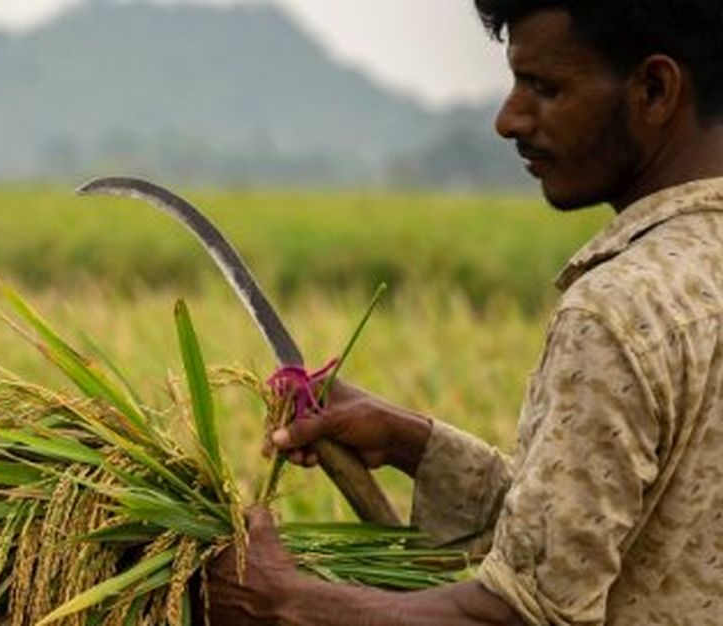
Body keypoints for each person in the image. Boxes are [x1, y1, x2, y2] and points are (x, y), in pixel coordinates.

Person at [205, 0, 723, 624]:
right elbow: (591, 535)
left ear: (654, 88)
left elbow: (522, 615)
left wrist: (285, 602)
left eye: (545, 87)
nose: (508, 119)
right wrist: (411, 443)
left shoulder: (618, 310)